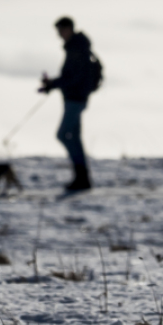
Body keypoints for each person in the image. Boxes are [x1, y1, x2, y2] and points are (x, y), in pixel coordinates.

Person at [39, 16, 100, 193]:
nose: (59, 34)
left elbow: (74, 77)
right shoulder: (76, 47)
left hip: (76, 99)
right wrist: (53, 84)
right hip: (74, 98)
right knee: (73, 136)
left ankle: (81, 175)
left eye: (60, 30)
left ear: (68, 29)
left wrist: (54, 84)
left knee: (62, 134)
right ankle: (82, 177)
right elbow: (71, 76)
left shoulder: (77, 48)